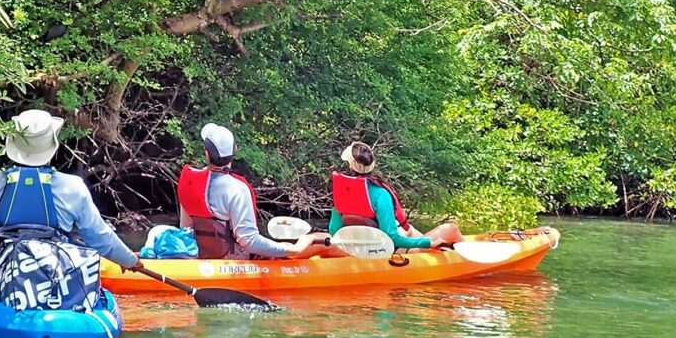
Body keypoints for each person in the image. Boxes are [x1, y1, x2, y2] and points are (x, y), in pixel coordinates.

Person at [0, 109, 141, 271]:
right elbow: (100, 238)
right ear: (52, 147)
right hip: (54, 274)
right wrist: (129, 260)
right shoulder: (73, 188)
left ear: (13, 143)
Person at [178, 123, 334, 260]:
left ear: (206, 153)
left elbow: (186, 229)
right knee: (322, 239)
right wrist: (294, 249)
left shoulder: (190, 181)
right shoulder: (236, 189)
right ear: (235, 150)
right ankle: (354, 262)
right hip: (233, 257)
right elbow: (249, 241)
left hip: (200, 253)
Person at [330, 142, 463, 251]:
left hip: (356, 248)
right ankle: (469, 257)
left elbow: (333, 231)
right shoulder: (380, 194)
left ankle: (446, 248)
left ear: (349, 164)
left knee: (410, 230)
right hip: (387, 251)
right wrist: (426, 243)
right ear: (372, 165)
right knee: (451, 228)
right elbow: (392, 238)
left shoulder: (341, 192)